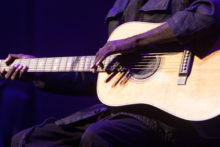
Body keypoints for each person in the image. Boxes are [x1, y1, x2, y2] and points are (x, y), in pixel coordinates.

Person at [1, 0, 220, 146]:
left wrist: (133, 41)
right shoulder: (122, 4)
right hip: (121, 113)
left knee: (99, 136)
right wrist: (37, 71)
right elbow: (102, 71)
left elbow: (211, 13)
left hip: (174, 118)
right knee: (29, 140)